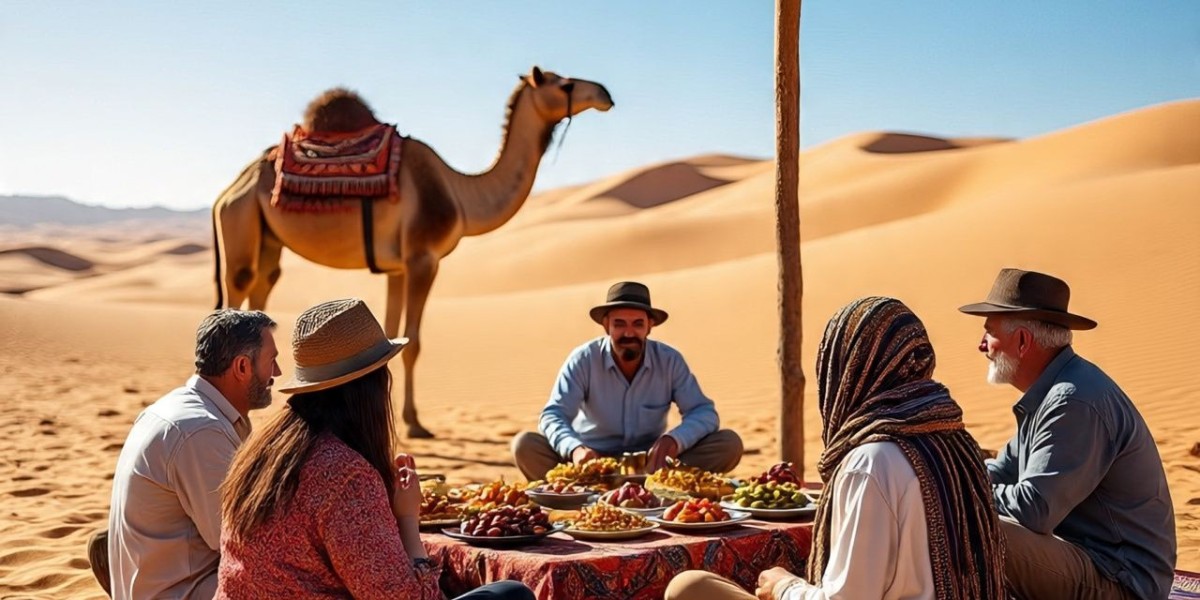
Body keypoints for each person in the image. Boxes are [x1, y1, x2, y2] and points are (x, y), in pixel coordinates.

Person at [667, 297, 1006, 600]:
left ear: (848, 372)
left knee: (689, 588)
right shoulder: (957, 441)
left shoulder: (872, 461)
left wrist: (783, 586)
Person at [216, 298, 534, 600]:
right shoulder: (343, 473)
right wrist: (408, 517)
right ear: (372, 386)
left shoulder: (263, 450)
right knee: (512, 594)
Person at [960, 268, 1176, 600]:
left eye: (989, 332)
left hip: (1122, 582)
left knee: (979, 532)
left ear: (1022, 341)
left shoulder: (1072, 400)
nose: (981, 345)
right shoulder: (1050, 395)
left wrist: (958, 493)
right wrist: (959, 480)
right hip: (1090, 562)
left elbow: (1034, 510)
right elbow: (1000, 472)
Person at [107, 309, 280, 599]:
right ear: (241, 367)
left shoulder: (185, 409)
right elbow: (239, 541)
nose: (277, 373)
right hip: (181, 591)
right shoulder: (200, 432)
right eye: (271, 361)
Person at [511, 281, 743, 481]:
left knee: (728, 444)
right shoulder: (584, 359)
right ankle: (585, 492)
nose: (628, 333)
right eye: (619, 324)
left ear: (650, 326)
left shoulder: (669, 360)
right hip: (591, 465)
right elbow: (553, 415)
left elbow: (703, 413)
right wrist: (576, 450)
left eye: (637, 324)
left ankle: (656, 489)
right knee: (526, 446)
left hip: (653, 466)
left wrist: (673, 441)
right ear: (606, 326)